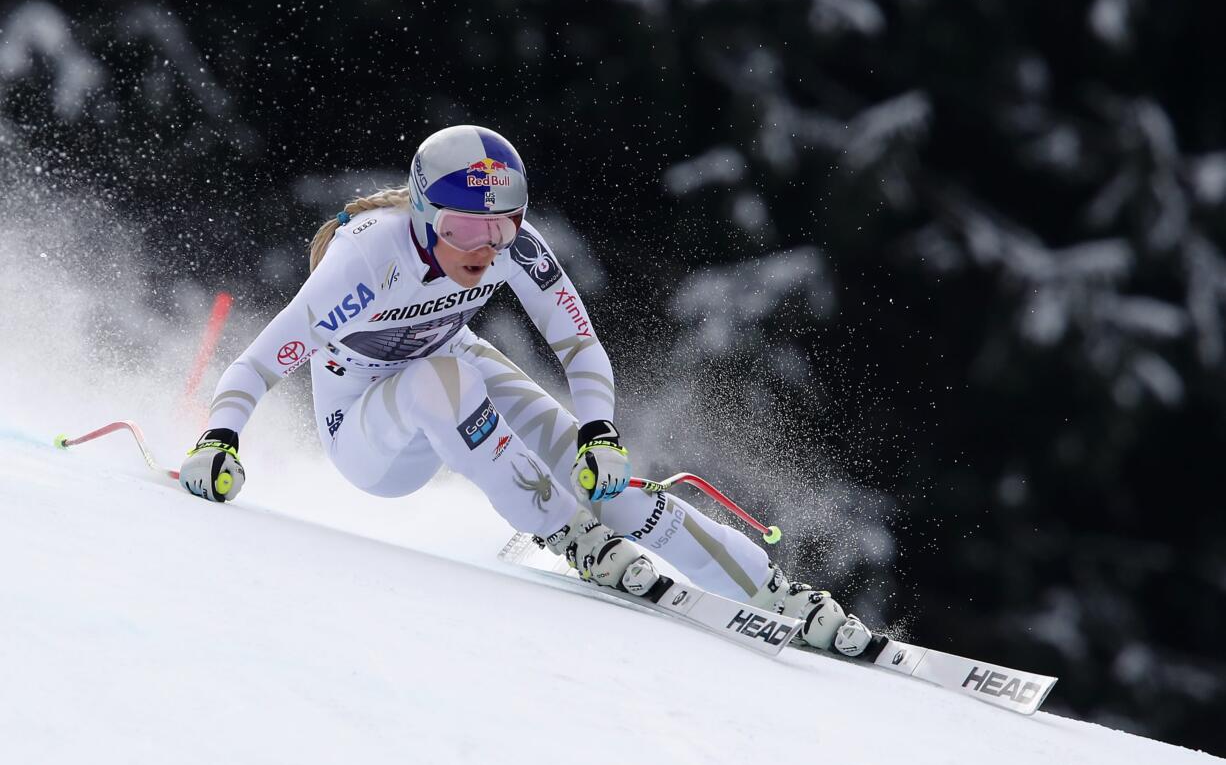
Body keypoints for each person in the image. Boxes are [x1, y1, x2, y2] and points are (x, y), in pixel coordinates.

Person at [178, 124, 878, 657]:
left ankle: (771, 590)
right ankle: (572, 537)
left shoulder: (513, 246)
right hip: (369, 435)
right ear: (424, 216)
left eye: (501, 225)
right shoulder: (368, 257)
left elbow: (579, 345)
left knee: (608, 480)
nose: (484, 247)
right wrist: (219, 438)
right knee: (442, 373)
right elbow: (258, 362)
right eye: (462, 229)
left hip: (451, 366)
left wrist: (599, 432)